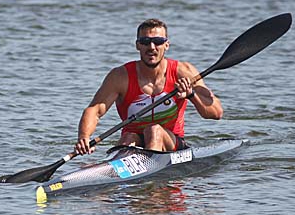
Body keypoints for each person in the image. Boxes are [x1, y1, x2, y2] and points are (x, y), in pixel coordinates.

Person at [73, 17, 223, 157]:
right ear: (137, 45)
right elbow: (95, 110)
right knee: (128, 137)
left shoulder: (183, 71)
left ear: (166, 45)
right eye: (145, 41)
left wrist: (191, 95)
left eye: (157, 41)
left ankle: (151, 178)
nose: (151, 47)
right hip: (133, 139)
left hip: (171, 142)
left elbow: (216, 113)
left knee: (154, 130)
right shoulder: (120, 76)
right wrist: (84, 137)